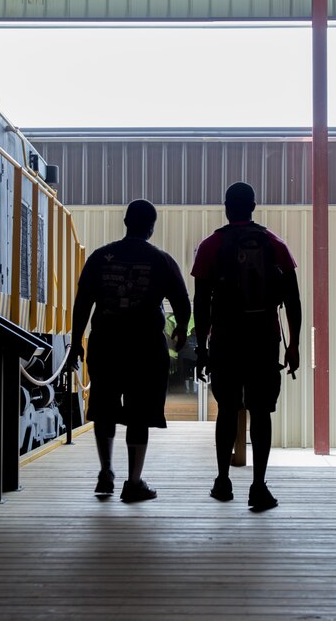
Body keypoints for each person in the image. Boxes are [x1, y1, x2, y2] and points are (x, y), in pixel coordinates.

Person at [66, 199, 190, 503]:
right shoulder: (161, 260)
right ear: (150, 227)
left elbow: (82, 304)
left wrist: (75, 345)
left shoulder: (99, 258)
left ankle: (105, 472)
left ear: (125, 222)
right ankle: (133, 482)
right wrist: (181, 330)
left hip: (106, 343)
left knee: (104, 407)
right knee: (139, 413)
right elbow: (183, 302)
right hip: (145, 348)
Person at [191, 182, 301, 512]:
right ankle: (259, 486)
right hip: (263, 340)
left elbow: (200, 302)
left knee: (227, 410)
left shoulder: (211, 245)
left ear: (226, 208)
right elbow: (292, 301)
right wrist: (293, 346)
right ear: (254, 207)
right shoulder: (274, 244)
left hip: (225, 340)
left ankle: (223, 481)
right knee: (261, 411)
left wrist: (202, 349)